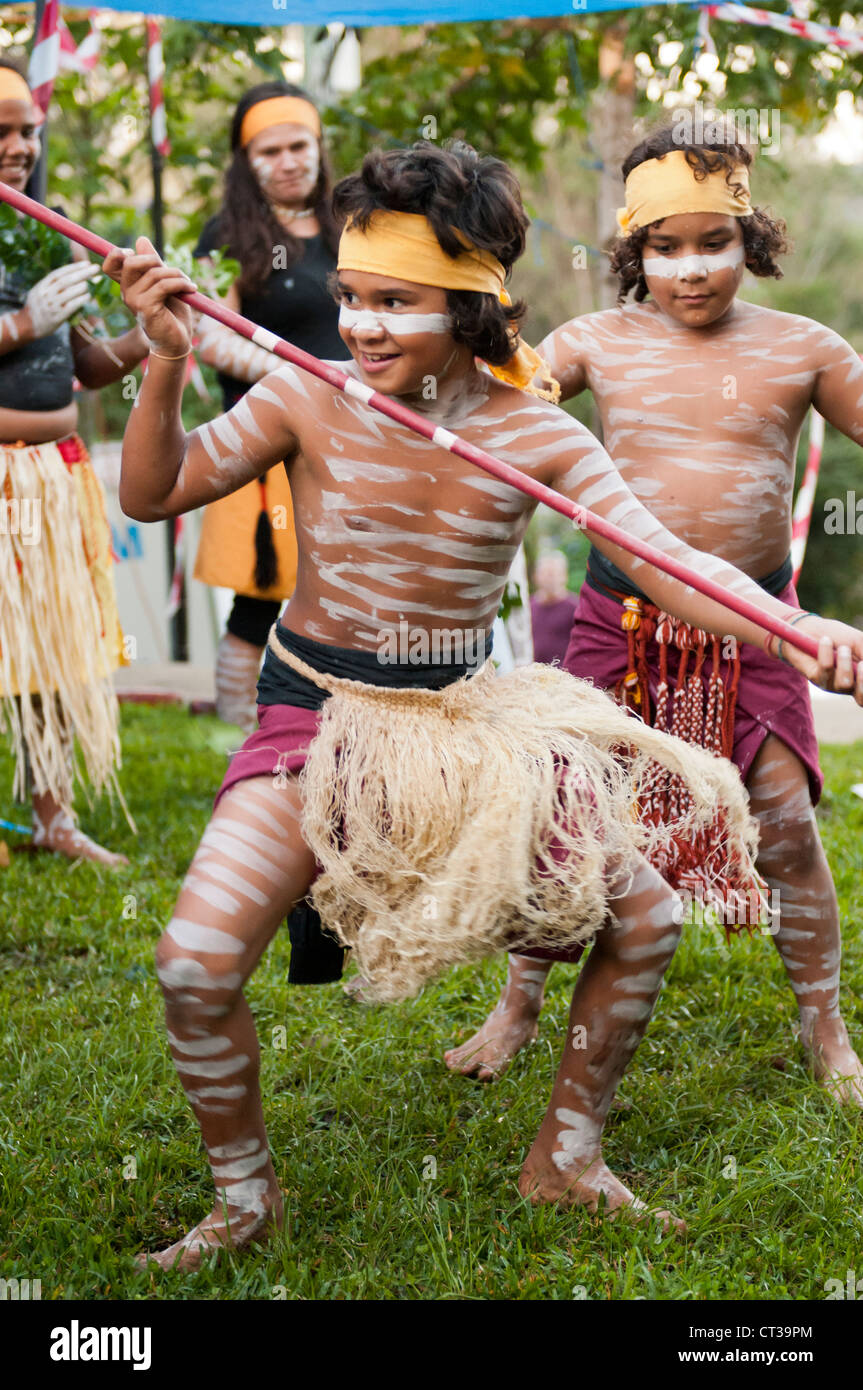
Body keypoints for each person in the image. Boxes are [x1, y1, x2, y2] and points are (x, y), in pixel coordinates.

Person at [112, 140, 863, 1269]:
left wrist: (795, 631)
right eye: (353, 298)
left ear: (470, 305)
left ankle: (565, 1154)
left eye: (394, 304)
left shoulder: (535, 436)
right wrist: (166, 361)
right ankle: (244, 1197)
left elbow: (658, 557)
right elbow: (153, 490)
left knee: (645, 919)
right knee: (191, 964)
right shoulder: (303, 398)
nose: (359, 327)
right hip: (312, 715)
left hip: (469, 731)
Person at [445, 125, 863, 1106]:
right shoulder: (590, 341)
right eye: (664, 247)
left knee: (787, 827)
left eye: (711, 242)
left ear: (746, 237)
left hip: (755, 622)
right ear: (632, 251)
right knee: (568, 820)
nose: (690, 268)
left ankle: (824, 1026)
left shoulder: (804, 347)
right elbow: (495, 417)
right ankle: (516, 1003)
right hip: (616, 617)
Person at [0, 62, 148, 866]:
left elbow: (86, 366)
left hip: (50, 478)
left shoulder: (46, 225)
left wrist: (149, 331)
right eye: (2, 133)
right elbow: (34, 332)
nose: (20, 147)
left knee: (48, 651)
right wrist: (21, 322)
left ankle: (51, 814)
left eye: (28, 130)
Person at [192, 82, 347, 733]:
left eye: (298, 145)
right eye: (269, 150)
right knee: (260, 594)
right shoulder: (224, 233)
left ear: (318, 148)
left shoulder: (353, 224)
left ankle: (339, 725)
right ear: (245, 160)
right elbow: (207, 336)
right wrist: (299, 376)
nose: (287, 161)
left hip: (351, 438)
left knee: (345, 591)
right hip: (266, 440)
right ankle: (236, 732)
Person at [529, 549, 578, 665]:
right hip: (531, 677)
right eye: (546, 573)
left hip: (564, 678)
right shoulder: (527, 608)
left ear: (565, 576)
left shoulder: (576, 608)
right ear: (536, 576)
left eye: (555, 574)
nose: (551, 579)